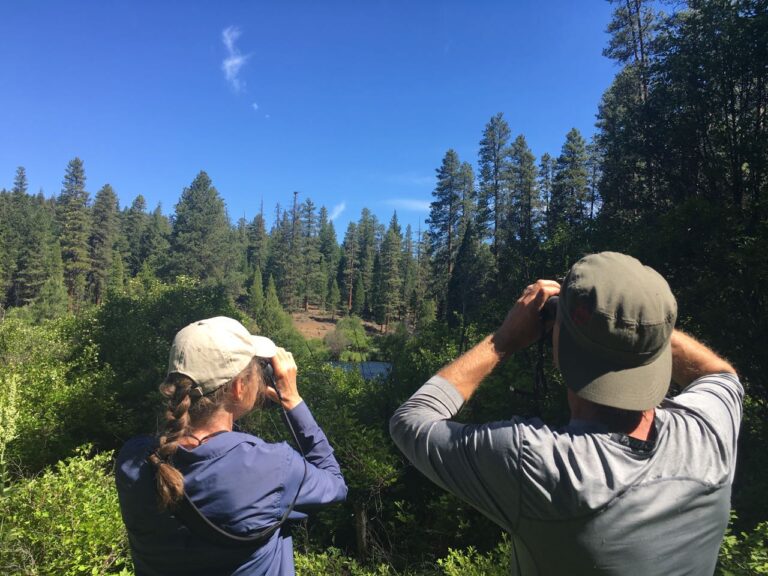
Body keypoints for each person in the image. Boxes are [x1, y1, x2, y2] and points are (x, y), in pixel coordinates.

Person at [390, 252, 742, 575]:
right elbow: (720, 375)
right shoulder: (710, 434)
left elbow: (411, 422)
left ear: (562, 348)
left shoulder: (538, 464)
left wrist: (502, 341)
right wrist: (641, 324)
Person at [115, 316, 347, 576]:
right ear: (239, 387)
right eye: (255, 371)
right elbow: (335, 484)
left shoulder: (132, 460)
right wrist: (292, 400)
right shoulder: (271, 467)